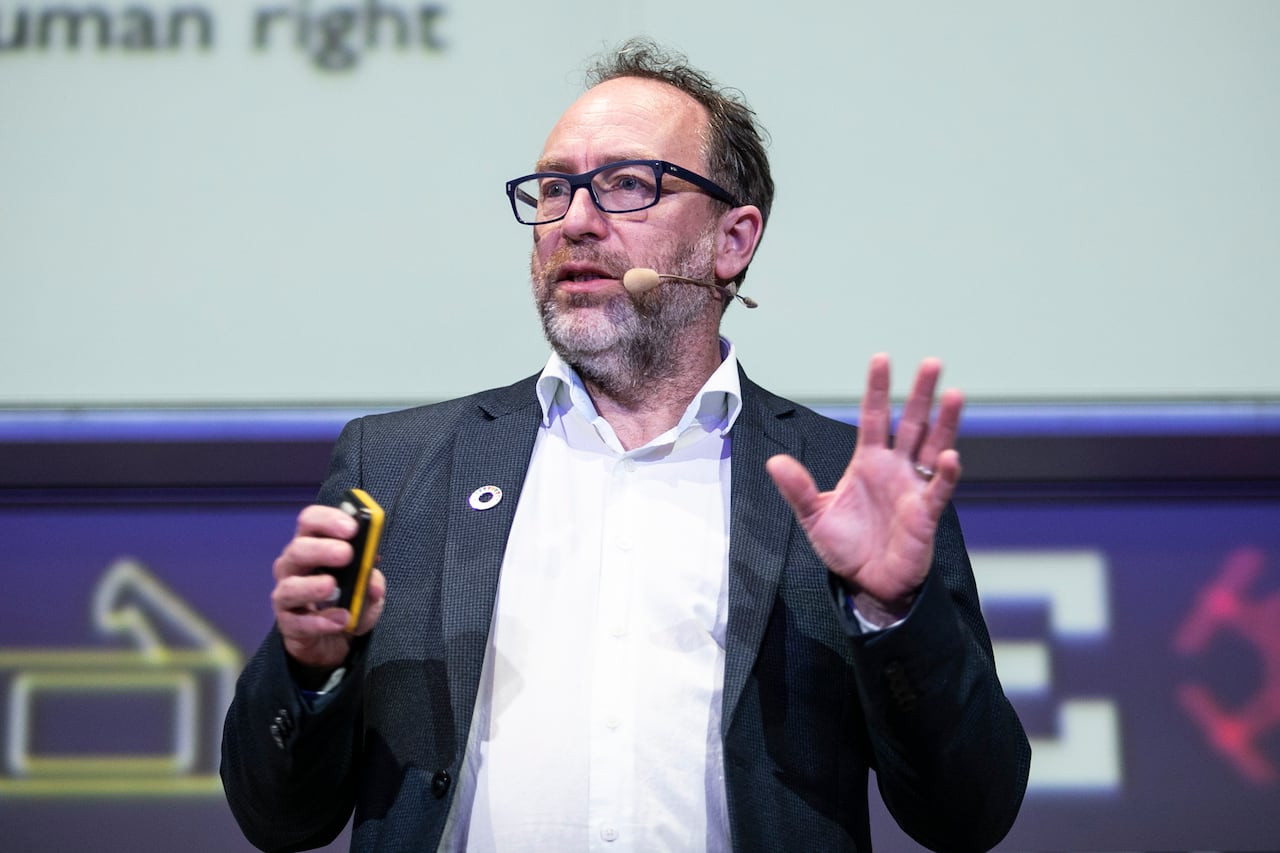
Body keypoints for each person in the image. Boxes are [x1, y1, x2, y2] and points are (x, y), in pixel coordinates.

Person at [221, 38, 1030, 853]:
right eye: (552, 188)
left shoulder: (841, 482)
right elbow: (277, 816)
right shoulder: (397, 466)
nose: (574, 220)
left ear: (732, 241)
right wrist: (310, 664)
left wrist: (892, 616)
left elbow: (970, 814)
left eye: (627, 185)